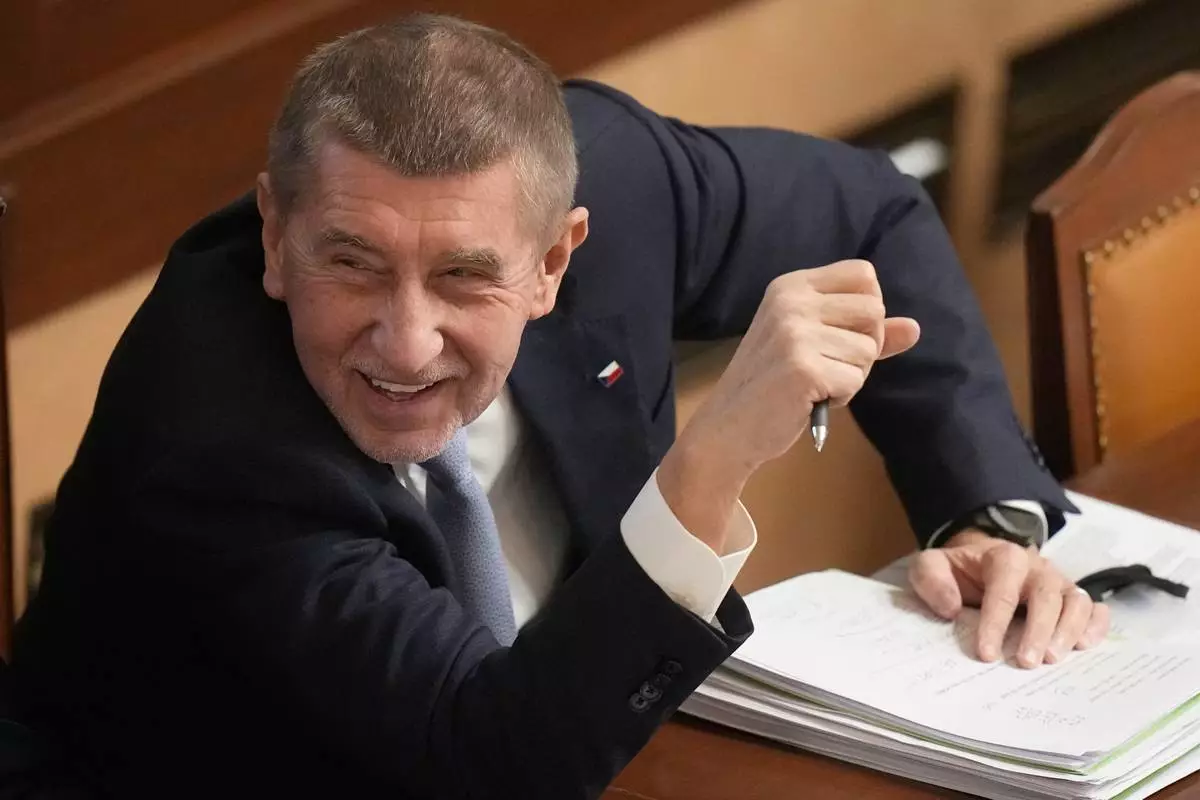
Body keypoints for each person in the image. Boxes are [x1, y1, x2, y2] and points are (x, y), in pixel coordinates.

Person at [12, 13, 1109, 800]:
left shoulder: (622, 181)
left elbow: (872, 215)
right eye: (351, 262)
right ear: (273, 232)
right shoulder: (208, 437)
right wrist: (713, 461)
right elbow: (489, 761)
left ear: (554, 259)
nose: (405, 342)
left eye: (463, 278)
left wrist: (985, 518)